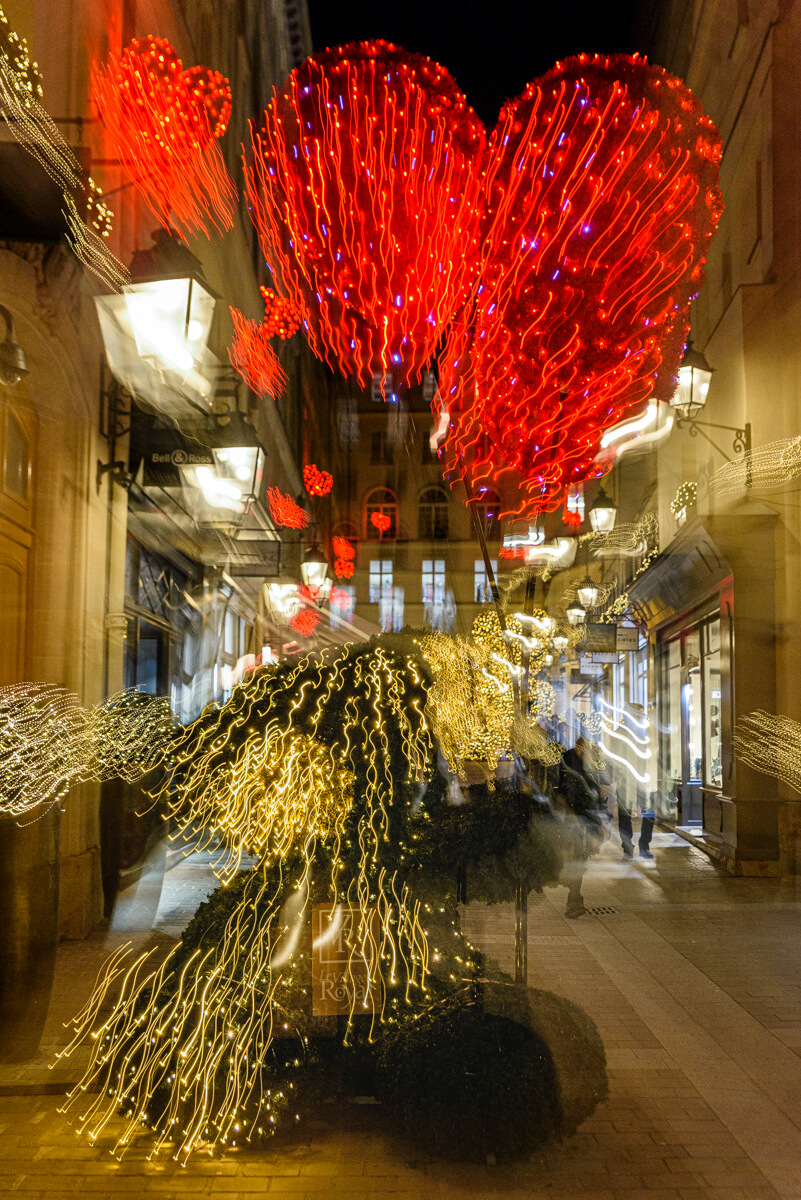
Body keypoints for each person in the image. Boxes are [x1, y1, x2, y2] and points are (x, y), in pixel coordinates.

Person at [555, 735, 610, 917]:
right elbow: (582, 792)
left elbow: (592, 790)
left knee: (577, 860)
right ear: (579, 748)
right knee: (576, 860)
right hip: (575, 819)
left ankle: (575, 899)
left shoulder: (574, 764)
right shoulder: (571, 766)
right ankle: (574, 900)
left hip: (577, 818)